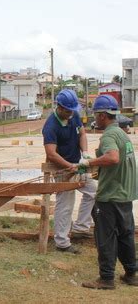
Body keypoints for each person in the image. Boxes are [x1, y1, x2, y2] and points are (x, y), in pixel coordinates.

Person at [81, 95, 138, 290]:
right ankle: (131, 273)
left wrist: (88, 162)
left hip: (110, 196)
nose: (95, 118)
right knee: (125, 235)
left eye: (96, 115)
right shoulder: (122, 134)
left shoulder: (109, 136)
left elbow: (112, 158)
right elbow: (117, 162)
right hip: (124, 194)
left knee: (105, 236)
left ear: (103, 115)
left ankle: (106, 278)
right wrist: (98, 166)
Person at [42, 89, 97, 254]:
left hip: (78, 165)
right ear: (59, 107)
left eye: (72, 110)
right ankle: (62, 243)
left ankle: (81, 227)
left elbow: (82, 134)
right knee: (65, 205)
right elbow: (51, 153)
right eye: (67, 110)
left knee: (95, 191)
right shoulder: (50, 126)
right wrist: (68, 165)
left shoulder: (74, 116)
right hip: (62, 171)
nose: (70, 113)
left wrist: (85, 153)